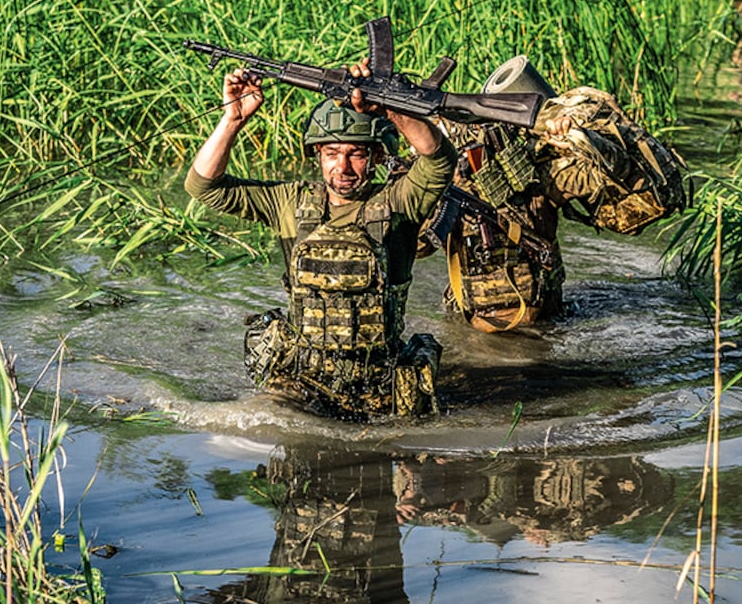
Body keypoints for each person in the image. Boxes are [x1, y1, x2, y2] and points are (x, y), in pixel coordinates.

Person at [185, 61, 458, 419]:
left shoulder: (399, 202)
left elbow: (439, 160)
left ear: (377, 155)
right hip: (302, 381)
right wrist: (232, 120)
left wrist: (388, 107)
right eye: (332, 153)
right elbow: (203, 186)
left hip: (380, 385)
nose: (342, 167)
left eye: (356, 154)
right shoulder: (290, 202)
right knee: (263, 420)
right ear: (318, 154)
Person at [420, 56, 691, 333]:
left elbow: (636, 197)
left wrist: (579, 140)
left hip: (533, 320)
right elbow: (418, 246)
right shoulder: (446, 183)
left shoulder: (544, 171)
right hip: (486, 321)